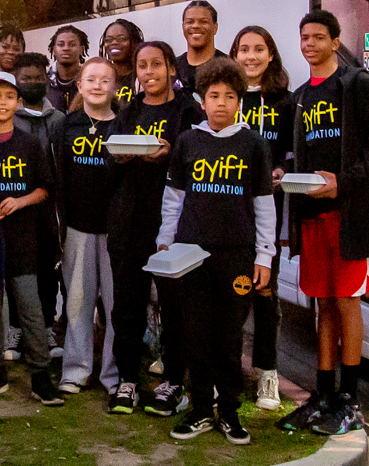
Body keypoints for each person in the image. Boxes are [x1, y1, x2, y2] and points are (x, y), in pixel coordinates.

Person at [276, 10, 369, 437]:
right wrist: (285, 176)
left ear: (336, 40)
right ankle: (322, 395)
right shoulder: (302, 95)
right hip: (312, 214)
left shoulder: (358, 84)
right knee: (322, 303)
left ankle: (351, 400)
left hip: (350, 216)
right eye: (304, 37)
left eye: (318, 37)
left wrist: (344, 182)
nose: (309, 44)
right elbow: (299, 153)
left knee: (347, 302)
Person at [159, 57, 274, 444]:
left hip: (236, 256)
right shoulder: (189, 141)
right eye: (213, 96)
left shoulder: (253, 145)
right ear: (201, 100)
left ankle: (230, 412)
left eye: (229, 96)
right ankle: (199, 410)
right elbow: (173, 198)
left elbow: (263, 204)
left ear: (240, 100)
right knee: (196, 334)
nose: (221, 103)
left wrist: (264, 256)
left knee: (229, 338)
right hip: (191, 255)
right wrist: (165, 240)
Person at [105, 41, 202, 416]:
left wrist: (170, 153)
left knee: (175, 305)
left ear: (171, 70)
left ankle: (174, 381)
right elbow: (108, 164)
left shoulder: (188, 112)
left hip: (174, 224)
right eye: (142, 66)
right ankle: (128, 380)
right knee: (127, 304)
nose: (149, 73)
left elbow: (200, 159)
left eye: (156, 65)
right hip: (129, 222)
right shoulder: (126, 113)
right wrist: (122, 157)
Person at [0, 71, 62, 406]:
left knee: (30, 305)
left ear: (18, 103)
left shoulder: (28, 142)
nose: (2, 102)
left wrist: (21, 201)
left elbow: (45, 188)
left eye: (9, 96)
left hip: (22, 238)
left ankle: (40, 374)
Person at [230, 25, 295, 409]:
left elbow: (291, 152)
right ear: (233, 55)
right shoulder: (226, 98)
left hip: (268, 211)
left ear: (271, 55)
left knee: (265, 292)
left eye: (259, 49)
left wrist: (284, 171)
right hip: (228, 210)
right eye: (243, 49)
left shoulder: (286, 102)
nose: (251, 57)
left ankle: (267, 374)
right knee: (232, 293)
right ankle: (229, 371)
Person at [54, 57, 121, 394]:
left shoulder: (124, 126)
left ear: (115, 87)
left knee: (114, 306)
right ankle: (76, 370)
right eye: (90, 79)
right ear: (79, 85)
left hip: (115, 232)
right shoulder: (66, 126)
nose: (97, 85)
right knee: (78, 303)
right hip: (78, 229)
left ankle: (113, 375)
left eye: (104, 80)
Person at [12, 52, 65, 360]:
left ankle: (46, 326)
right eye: (25, 78)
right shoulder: (9, 117)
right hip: (16, 203)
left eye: (37, 77)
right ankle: (16, 329)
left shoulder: (58, 119)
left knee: (48, 269)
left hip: (48, 207)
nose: (32, 82)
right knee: (18, 270)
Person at [174, 0, 220, 96]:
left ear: (215, 27)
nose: (195, 26)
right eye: (190, 22)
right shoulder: (172, 68)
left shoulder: (228, 67)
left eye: (204, 22)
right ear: (183, 27)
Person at [98, 19, 143, 107]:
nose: (114, 42)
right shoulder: (100, 77)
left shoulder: (141, 77)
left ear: (134, 42)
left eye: (121, 38)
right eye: (108, 39)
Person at [46, 26, 88, 112]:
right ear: (54, 49)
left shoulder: (89, 81)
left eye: (72, 45)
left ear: (82, 49)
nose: (66, 48)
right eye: (61, 45)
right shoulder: (44, 82)